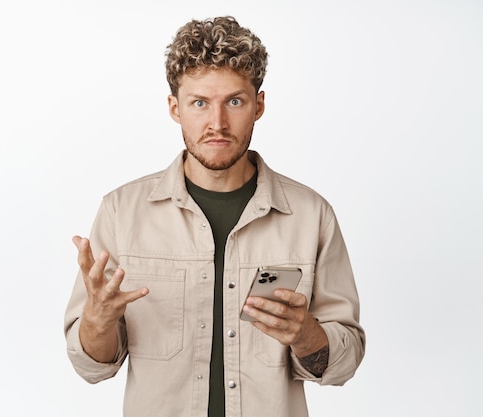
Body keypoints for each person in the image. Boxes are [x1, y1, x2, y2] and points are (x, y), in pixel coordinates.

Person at [64, 16, 365, 417]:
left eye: (234, 101)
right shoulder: (121, 212)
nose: (217, 123)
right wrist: (97, 321)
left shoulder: (310, 215)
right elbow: (91, 366)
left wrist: (307, 334)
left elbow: (345, 361)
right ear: (175, 108)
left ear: (258, 105)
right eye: (200, 103)